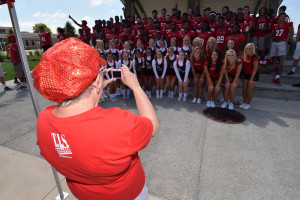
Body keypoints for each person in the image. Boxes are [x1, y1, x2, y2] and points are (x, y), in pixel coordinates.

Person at [32, 38, 159, 200]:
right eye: (99, 70)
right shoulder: (117, 122)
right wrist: (136, 86)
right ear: (95, 82)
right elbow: (153, 126)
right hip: (127, 194)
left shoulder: (43, 119)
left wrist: (96, 88)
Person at [270, 13, 294, 85]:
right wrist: (272, 36)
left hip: (281, 42)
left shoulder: (288, 24)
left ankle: (277, 76)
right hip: (275, 42)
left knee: (280, 58)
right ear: (279, 17)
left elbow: (291, 33)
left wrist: (286, 40)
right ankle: (275, 70)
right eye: (281, 16)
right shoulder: (275, 25)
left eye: (284, 17)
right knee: (273, 57)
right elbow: (272, 33)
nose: (282, 18)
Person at [240, 43, 259, 110]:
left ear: (253, 49)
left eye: (249, 48)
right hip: (246, 75)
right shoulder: (245, 56)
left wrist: (251, 79)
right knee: (244, 90)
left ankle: (248, 104)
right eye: (246, 48)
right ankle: (244, 102)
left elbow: (255, 69)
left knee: (248, 90)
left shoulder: (255, 57)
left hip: (253, 76)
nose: (248, 50)